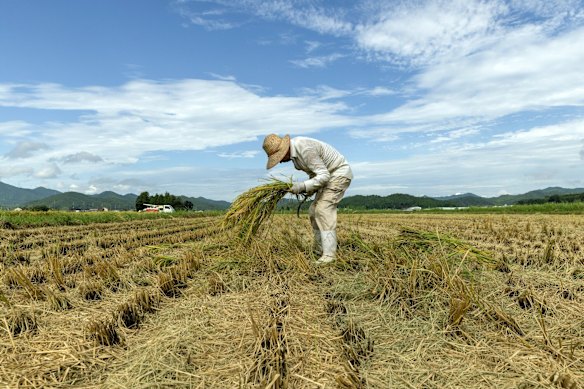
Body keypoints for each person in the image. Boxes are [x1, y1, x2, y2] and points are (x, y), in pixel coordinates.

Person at [262, 133, 353, 264]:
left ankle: (329, 256)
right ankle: (318, 249)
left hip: (338, 174)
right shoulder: (296, 157)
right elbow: (315, 173)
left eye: (279, 157)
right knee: (313, 211)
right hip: (328, 176)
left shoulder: (304, 149)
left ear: (284, 150)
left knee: (323, 210)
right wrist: (309, 189)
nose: (280, 161)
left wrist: (302, 186)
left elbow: (324, 175)